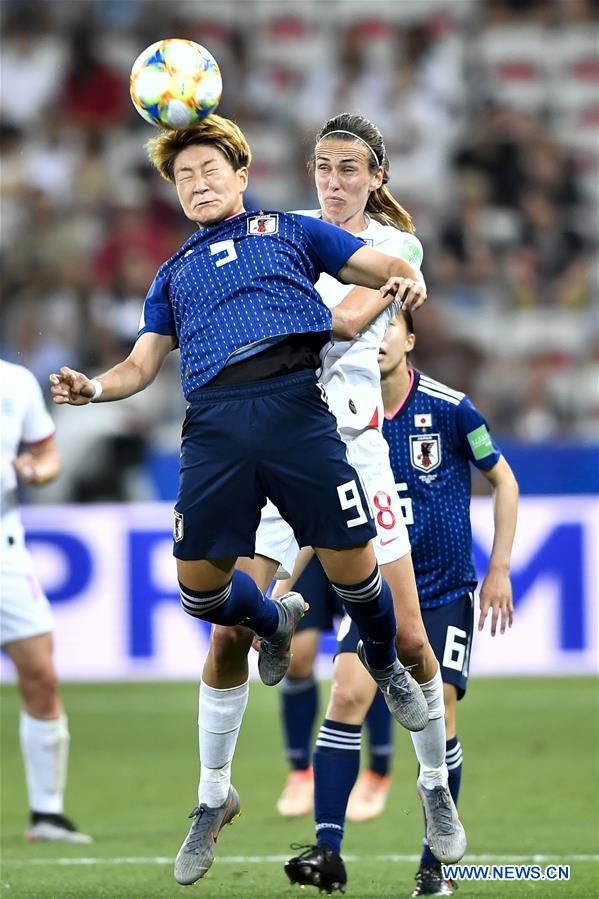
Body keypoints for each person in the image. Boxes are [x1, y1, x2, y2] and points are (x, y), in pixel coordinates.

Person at [48, 114, 428, 887]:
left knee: (375, 600)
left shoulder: (288, 233)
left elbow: (366, 277)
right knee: (205, 604)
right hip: (218, 430)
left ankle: (404, 718)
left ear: (243, 173)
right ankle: (268, 636)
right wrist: (93, 387)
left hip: (312, 421)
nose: (196, 182)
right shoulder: (174, 272)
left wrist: (395, 275)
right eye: (182, 176)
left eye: (208, 170)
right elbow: (138, 363)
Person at [194, 114, 466, 880]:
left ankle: (433, 787)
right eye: (321, 166)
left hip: (352, 451)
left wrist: (266, 332)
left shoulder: (395, 246)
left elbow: (348, 320)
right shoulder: (287, 231)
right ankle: (215, 792)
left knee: (412, 644)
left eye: (349, 168)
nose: (333, 180)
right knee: (226, 631)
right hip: (279, 450)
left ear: (376, 177)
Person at [285, 310, 518, 896]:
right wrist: (286, 580)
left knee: (440, 716)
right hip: (375, 593)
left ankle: (434, 870)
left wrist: (499, 570)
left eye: (391, 326)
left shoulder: (450, 407)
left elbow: (505, 482)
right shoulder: (338, 416)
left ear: (409, 339)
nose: (380, 337)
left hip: (441, 593)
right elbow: (320, 512)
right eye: (373, 327)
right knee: (344, 695)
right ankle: (327, 848)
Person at [0, 358, 91, 844]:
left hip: (5, 551)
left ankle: (47, 814)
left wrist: (35, 471)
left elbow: (48, 455)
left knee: (41, 675)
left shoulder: (14, 382)